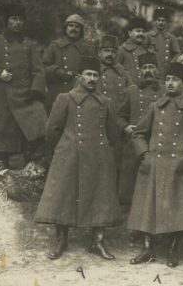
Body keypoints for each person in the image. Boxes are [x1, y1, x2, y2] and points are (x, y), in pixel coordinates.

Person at [35, 56, 120, 260]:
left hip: (99, 156)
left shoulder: (106, 102)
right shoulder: (66, 98)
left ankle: (97, 241)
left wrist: (102, 150)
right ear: (80, 76)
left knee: (100, 197)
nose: (92, 78)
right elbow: (52, 131)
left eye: (95, 75)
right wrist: (66, 148)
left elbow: (113, 133)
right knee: (64, 197)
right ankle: (61, 240)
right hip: (69, 155)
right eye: (88, 74)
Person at [127, 62, 183, 268]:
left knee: (175, 210)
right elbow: (139, 133)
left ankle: (172, 250)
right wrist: (144, 153)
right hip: (154, 165)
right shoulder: (155, 106)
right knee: (148, 209)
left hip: (179, 167)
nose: (171, 84)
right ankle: (147, 249)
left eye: (176, 80)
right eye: (168, 79)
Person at [0, 3, 47, 169]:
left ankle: (29, 154)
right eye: (14, 19)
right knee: (2, 125)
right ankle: (1, 159)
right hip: (2, 91)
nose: (17, 23)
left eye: (20, 19)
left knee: (38, 117)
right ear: (7, 21)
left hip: (25, 93)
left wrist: (35, 90)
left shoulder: (30, 45)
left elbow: (38, 71)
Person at [116, 52, 166, 206]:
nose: (148, 71)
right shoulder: (130, 92)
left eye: (151, 67)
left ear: (157, 70)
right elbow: (118, 117)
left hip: (160, 143)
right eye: (145, 68)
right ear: (139, 71)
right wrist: (125, 127)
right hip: (135, 145)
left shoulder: (166, 91)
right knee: (132, 186)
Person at [42, 14, 96, 113]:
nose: (74, 29)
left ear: (81, 31)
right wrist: (57, 72)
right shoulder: (55, 46)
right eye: (71, 25)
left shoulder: (88, 49)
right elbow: (43, 68)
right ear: (65, 28)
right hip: (57, 92)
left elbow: (94, 72)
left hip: (80, 93)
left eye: (77, 26)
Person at [97, 35, 133, 174]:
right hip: (97, 121)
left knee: (116, 162)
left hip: (117, 124)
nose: (109, 54)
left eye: (113, 51)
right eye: (106, 50)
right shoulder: (92, 71)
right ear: (99, 52)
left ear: (117, 53)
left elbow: (131, 96)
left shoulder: (123, 73)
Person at [117, 17, 152, 85]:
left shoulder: (148, 52)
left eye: (143, 31)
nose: (141, 34)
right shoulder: (122, 50)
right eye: (138, 31)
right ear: (130, 33)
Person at [146, 7, 181, 72]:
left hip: (165, 70)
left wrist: (171, 64)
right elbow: (142, 50)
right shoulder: (148, 36)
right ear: (155, 21)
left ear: (167, 22)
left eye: (163, 20)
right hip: (150, 70)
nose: (161, 23)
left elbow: (177, 53)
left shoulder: (171, 37)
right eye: (159, 20)